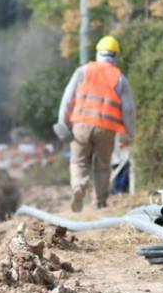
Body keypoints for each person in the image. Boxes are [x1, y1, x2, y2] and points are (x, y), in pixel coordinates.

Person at [55, 35, 136, 212]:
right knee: (102, 166)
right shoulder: (120, 78)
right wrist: (130, 133)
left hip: (81, 125)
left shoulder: (83, 71)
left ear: (98, 53)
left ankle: (78, 186)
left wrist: (62, 121)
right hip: (107, 128)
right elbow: (128, 109)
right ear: (116, 56)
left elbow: (67, 98)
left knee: (79, 162)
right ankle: (99, 202)